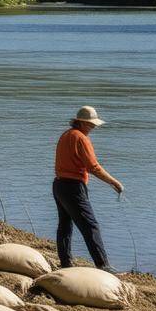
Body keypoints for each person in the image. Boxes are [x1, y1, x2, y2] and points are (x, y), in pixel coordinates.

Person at [53, 106, 124, 273]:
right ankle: (103, 265)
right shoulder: (81, 138)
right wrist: (115, 183)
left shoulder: (65, 135)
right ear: (82, 122)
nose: (94, 127)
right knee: (90, 226)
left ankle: (65, 263)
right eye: (91, 124)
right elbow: (93, 167)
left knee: (65, 225)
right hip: (73, 188)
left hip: (58, 185)